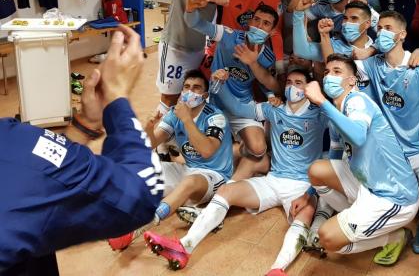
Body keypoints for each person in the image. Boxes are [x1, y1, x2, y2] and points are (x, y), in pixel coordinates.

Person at [0, 26, 162, 275]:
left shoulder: (17, 150)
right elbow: (141, 191)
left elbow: (42, 177)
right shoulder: (14, 145)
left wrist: (84, 127)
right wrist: (116, 100)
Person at [144, 68, 329, 274]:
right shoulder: (273, 109)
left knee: (304, 214)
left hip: (302, 184)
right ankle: (184, 247)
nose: (292, 87)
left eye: (299, 83)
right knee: (226, 191)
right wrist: (219, 84)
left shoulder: (321, 114)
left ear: (309, 87)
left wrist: (311, 191)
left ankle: (277, 269)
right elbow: (239, 107)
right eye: (289, 83)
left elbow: (342, 137)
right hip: (273, 179)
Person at [354, 10, 419, 254]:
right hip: (392, 153)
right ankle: (397, 231)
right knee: (372, 192)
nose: (381, 32)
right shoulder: (373, 65)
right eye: (378, 28)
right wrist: (370, 51)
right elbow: (338, 64)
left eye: (387, 27)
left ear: (401, 34)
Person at [299, 54, 419, 266]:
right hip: (367, 183)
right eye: (327, 72)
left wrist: (320, 101)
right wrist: (309, 193)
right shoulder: (337, 111)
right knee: (317, 170)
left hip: (394, 197)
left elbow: (357, 135)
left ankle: (394, 236)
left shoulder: (357, 100)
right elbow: (335, 154)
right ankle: (355, 215)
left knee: (327, 239)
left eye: (337, 72)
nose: (329, 77)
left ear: (352, 80)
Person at [108, 69, 232, 252]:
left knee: (189, 181)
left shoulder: (216, 117)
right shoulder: (176, 113)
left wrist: (187, 120)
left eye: (196, 88)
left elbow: (206, 151)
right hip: (187, 169)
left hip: (214, 176)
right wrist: (149, 127)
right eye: (187, 87)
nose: (190, 92)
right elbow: (149, 144)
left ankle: (139, 229)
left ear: (205, 95)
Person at [184, 0, 280, 180]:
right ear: (250, 22)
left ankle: (235, 150)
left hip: (243, 105)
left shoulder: (267, 56)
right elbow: (196, 23)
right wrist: (190, 8)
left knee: (259, 149)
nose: (259, 26)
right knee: (201, 151)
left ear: (272, 31)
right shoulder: (229, 35)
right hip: (215, 104)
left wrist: (269, 93)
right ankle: (226, 152)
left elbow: (267, 83)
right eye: (256, 20)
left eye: (266, 23)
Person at [293, 1, 374, 62]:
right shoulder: (333, 45)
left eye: (354, 18)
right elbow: (302, 51)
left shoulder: (378, 47)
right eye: (345, 18)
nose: (347, 23)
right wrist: (298, 13)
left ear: (367, 23)